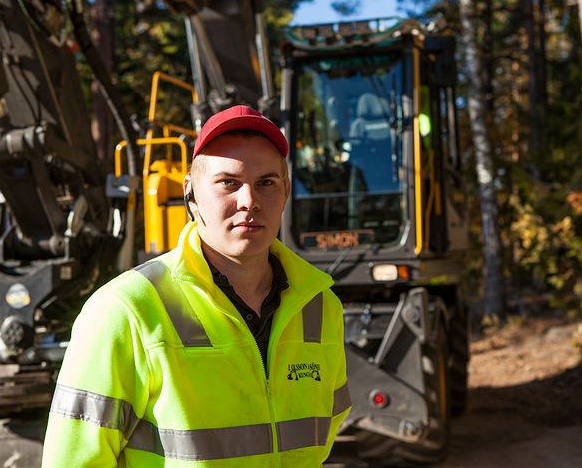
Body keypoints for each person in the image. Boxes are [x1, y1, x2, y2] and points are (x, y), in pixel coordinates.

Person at [42, 105, 351, 467]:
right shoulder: (125, 310)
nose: (248, 201)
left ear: (285, 191)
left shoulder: (321, 306)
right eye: (228, 183)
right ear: (191, 193)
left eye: (266, 182)